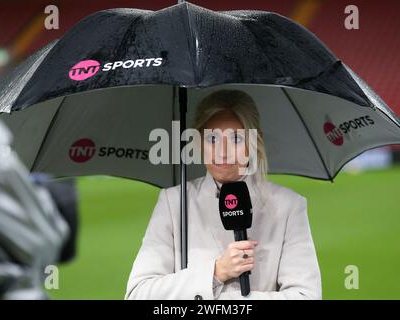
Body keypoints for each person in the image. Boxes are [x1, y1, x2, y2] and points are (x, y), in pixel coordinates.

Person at [125, 89, 321, 300]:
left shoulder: (288, 206)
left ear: (255, 141)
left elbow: (306, 296)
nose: (223, 151)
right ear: (198, 141)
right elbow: (138, 294)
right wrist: (216, 272)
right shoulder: (174, 203)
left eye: (236, 138)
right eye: (212, 138)